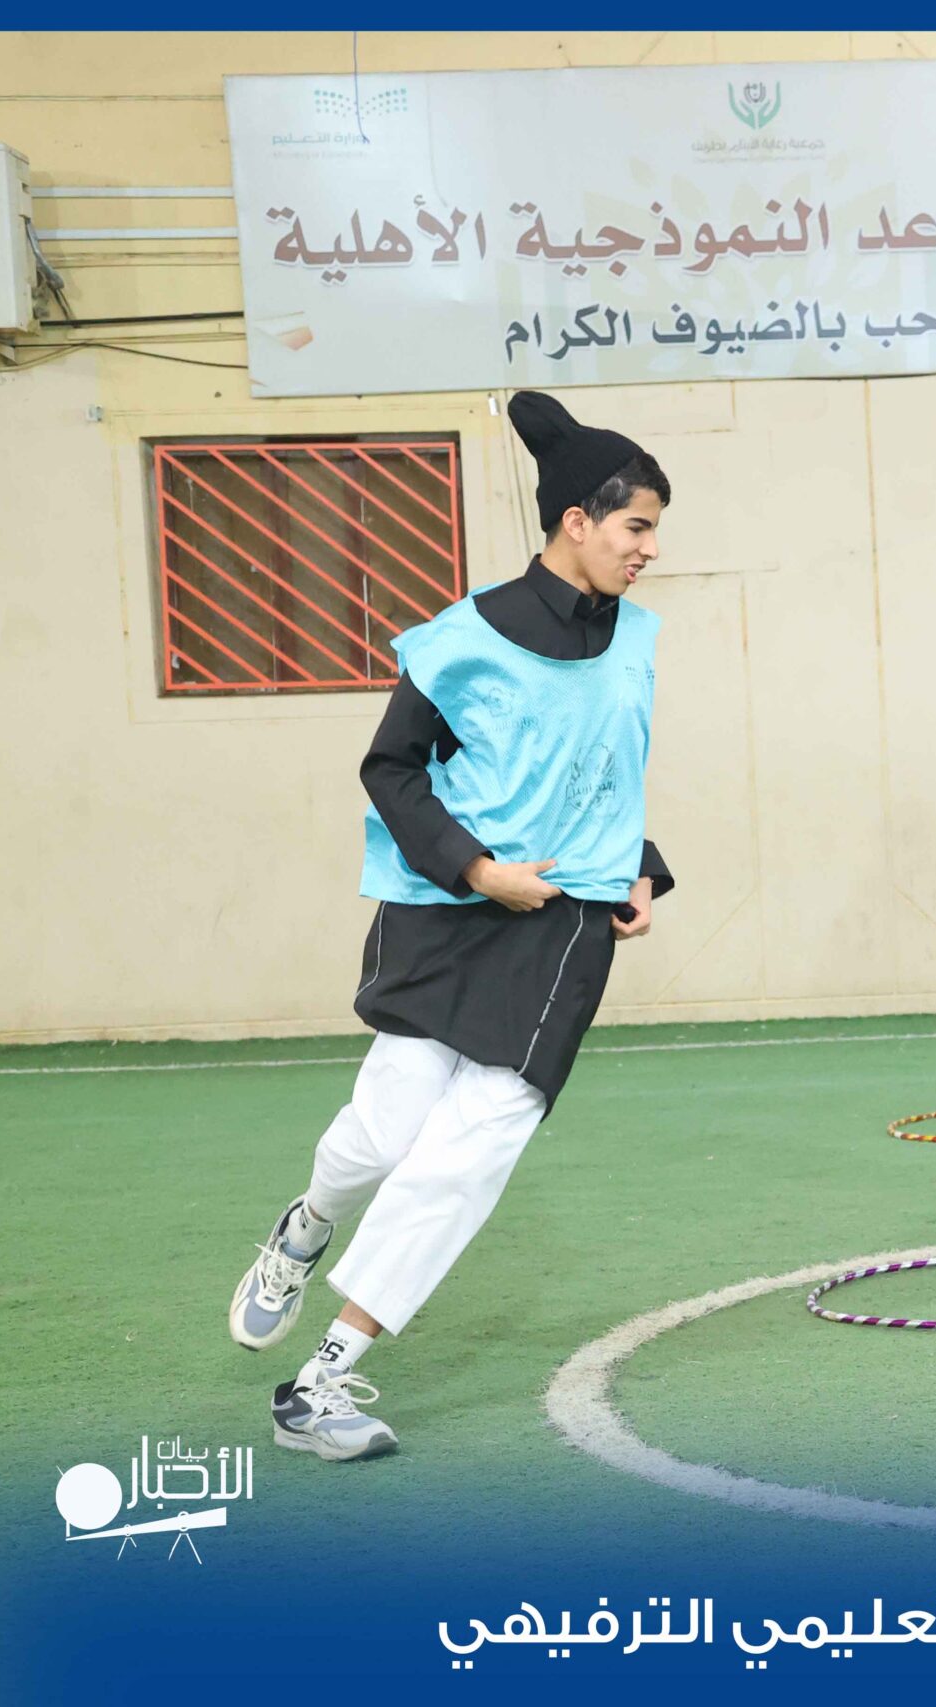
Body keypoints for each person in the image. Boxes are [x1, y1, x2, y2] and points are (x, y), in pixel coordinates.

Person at [226, 392, 675, 1460]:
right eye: (637, 526)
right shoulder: (462, 637)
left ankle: (321, 1382)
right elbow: (390, 769)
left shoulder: (638, 639)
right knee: (381, 1140)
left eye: (654, 530)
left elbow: (609, 767)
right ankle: (304, 1227)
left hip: (564, 930)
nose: (650, 550)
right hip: (448, 912)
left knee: (467, 1157)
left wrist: (639, 868)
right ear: (577, 521)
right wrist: (477, 870)